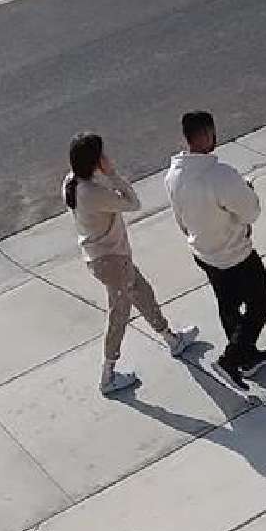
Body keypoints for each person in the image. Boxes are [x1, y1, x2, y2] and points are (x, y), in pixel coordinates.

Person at [63, 133, 198, 396]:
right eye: (102, 154)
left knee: (143, 293)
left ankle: (171, 338)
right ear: (95, 160)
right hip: (113, 261)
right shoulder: (93, 193)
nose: (106, 157)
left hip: (103, 259)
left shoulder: (72, 183)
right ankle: (108, 375)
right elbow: (133, 203)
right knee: (119, 314)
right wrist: (112, 174)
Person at [165, 111, 266, 392]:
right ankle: (231, 360)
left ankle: (246, 358)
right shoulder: (220, 175)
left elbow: (180, 218)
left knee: (228, 304)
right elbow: (251, 211)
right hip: (235, 254)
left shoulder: (173, 176)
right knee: (262, 302)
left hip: (203, 253)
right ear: (205, 135)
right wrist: (246, 190)